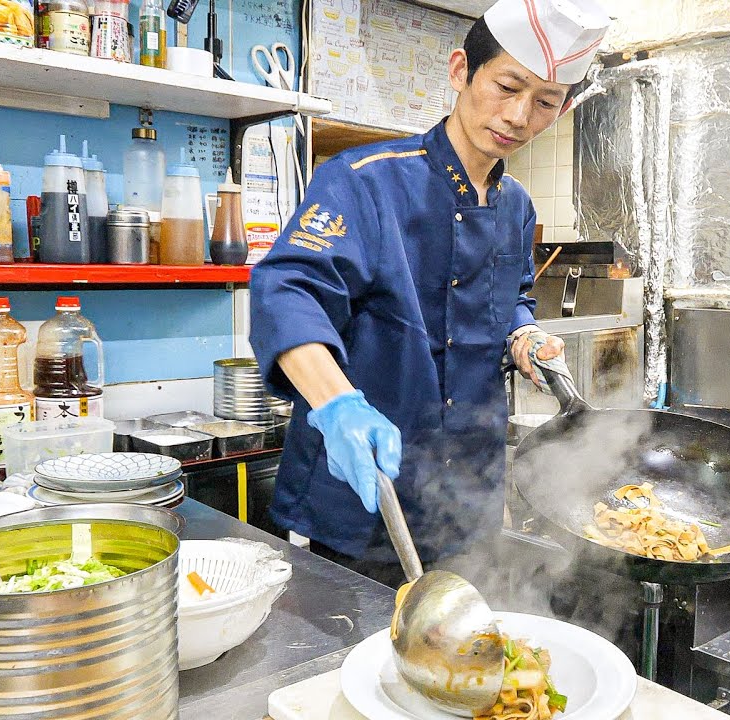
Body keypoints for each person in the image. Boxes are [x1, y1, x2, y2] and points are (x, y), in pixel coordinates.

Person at [249, 0, 611, 588]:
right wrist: (338, 405)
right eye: (507, 86)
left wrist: (523, 334)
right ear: (461, 70)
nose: (519, 116)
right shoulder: (365, 181)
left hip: (468, 499)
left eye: (545, 102)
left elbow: (512, 297)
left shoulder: (516, 205)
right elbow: (287, 290)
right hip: (365, 499)